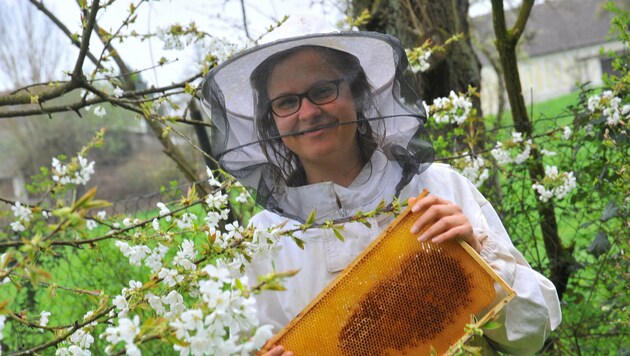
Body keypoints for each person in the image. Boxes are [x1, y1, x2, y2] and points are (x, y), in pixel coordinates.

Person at [201, 16, 561, 355]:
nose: (308, 112)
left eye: (323, 90)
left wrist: (478, 259)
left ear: (357, 94)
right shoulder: (264, 241)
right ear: (271, 120)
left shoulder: (439, 188)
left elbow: (531, 335)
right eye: (287, 102)